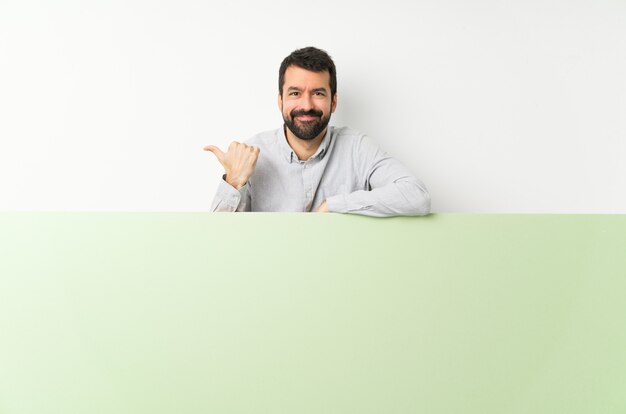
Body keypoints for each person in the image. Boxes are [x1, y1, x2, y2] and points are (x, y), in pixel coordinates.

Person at [205, 47, 430, 217]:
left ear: (333, 102)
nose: (307, 105)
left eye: (318, 93)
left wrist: (335, 206)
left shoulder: (357, 148)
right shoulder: (254, 153)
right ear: (280, 101)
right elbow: (218, 239)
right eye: (295, 93)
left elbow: (416, 196)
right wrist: (234, 181)